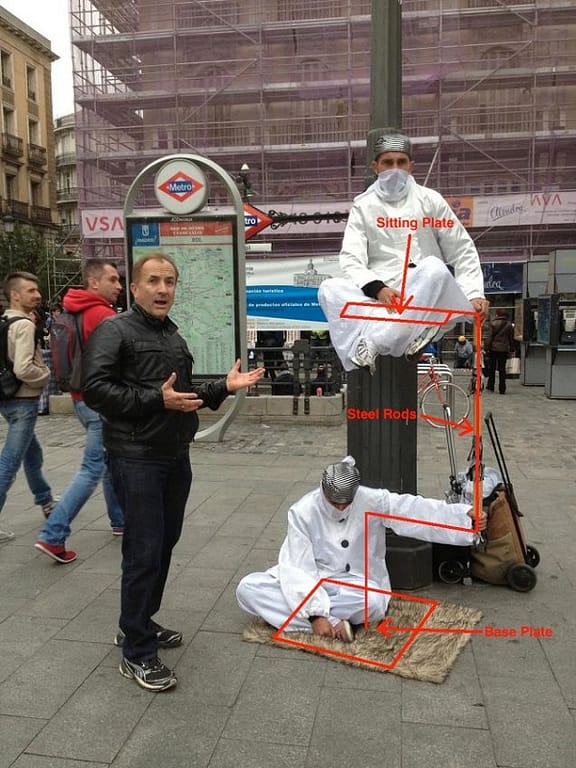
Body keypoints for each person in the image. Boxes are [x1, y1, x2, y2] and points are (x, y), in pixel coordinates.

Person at [82, 253, 264, 692]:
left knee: (164, 544)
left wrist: (223, 386)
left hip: (173, 454)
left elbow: (179, 395)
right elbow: (95, 390)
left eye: (170, 282)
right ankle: (137, 653)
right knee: (144, 551)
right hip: (136, 456)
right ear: (135, 288)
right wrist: (153, 401)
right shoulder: (115, 329)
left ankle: (137, 623)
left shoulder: (171, 334)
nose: (164, 289)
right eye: (154, 281)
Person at [237, 457, 486, 641]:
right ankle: (333, 622)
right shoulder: (302, 511)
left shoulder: (372, 499)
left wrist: (465, 520)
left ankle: (312, 619)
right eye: (335, 503)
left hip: (357, 584)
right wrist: (314, 614)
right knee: (248, 589)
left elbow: (413, 512)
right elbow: (297, 566)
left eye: (347, 503)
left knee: (375, 603)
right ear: (323, 492)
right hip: (315, 580)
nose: (341, 508)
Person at [318, 131, 489, 374]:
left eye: (401, 162)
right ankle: (406, 332)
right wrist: (378, 289)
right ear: (375, 166)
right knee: (329, 289)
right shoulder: (363, 206)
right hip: (381, 297)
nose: (395, 168)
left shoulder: (431, 201)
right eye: (388, 162)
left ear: (411, 166)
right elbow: (351, 257)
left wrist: (474, 292)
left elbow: (461, 248)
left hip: (419, 293)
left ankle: (374, 343)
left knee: (434, 268)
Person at [35, 259, 125, 564]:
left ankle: (120, 520)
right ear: (93, 282)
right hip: (99, 401)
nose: (119, 286)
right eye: (112, 280)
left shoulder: (74, 307)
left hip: (79, 397)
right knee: (92, 467)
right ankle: (53, 534)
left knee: (109, 458)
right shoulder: (101, 314)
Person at [0, 272, 56, 542]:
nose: (38, 295)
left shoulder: (4, 320)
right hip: (23, 400)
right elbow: (23, 367)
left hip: (8, 398)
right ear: (15, 295)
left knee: (32, 455)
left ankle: (46, 500)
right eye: (31, 291)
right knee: (9, 463)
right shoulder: (22, 325)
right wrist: (44, 375)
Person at [485, 308, 515, 394]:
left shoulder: (493, 323)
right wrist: (512, 348)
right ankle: (502, 388)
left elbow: (490, 337)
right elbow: (511, 339)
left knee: (492, 368)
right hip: (504, 349)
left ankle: (491, 386)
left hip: (493, 349)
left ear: (497, 314)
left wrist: (486, 348)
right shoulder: (509, 325)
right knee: (502, 369)